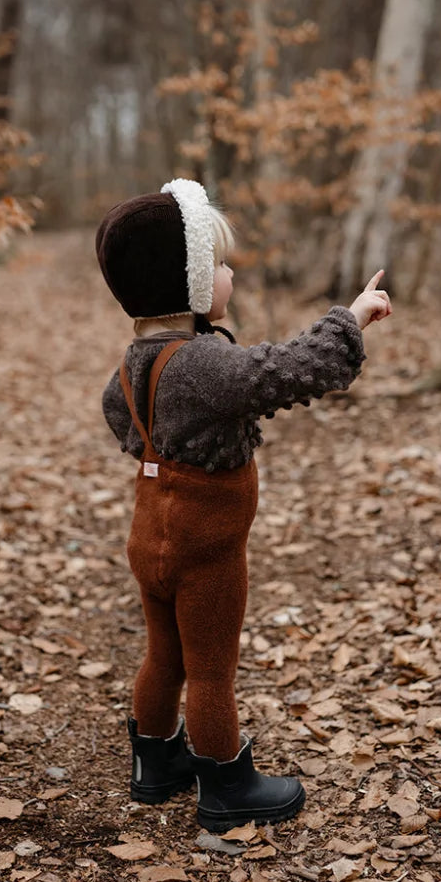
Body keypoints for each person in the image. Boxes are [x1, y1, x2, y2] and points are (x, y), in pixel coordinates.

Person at [97, 178, 391, 832]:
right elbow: (286, 368)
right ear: (192, 283)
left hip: (151, 537)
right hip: (206, 546)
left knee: (162, 654)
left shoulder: (133, 361)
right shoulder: (205, 364)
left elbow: (119, 415)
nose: (230, 273)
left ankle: (155, 762)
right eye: (219, 264)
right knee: (209, 668)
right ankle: (227, 785)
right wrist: (351, 317)